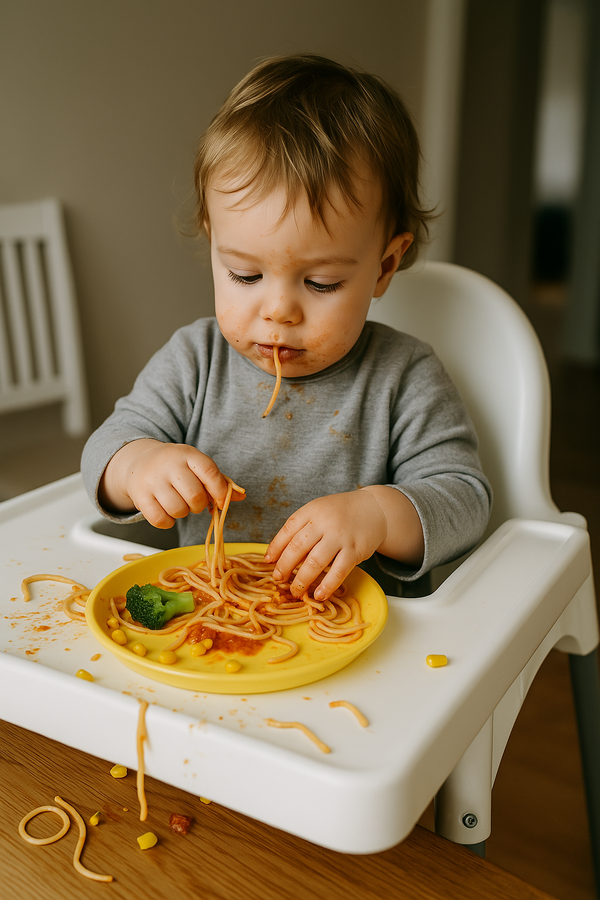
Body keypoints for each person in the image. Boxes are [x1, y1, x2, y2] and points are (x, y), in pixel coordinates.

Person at [82, 54, 491, 601]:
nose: (278, 311)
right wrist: (138, 466)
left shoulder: (404, 376)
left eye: (320, 283)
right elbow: (104, 449)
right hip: (211, 622)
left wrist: (376, 515)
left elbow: (465, 500)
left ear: (385, 266)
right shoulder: (194, 361)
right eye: (245, 274)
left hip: (366, 642)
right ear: (213, 248)